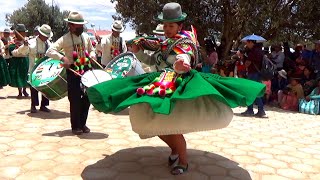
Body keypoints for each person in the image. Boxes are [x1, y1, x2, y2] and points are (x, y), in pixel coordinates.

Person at [86, 3, 265, 175]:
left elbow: (185, 55)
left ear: (179, 26)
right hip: (159, 82)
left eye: (171, 25)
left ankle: (184, 160)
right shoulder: (163, 43)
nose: (167, 29)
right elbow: (151, 61)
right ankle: (175, 149)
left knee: (170, 124)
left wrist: (183, 63)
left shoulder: (184, 42)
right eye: (165, 25)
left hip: (177, 86)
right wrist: (138, 51)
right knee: (149, 120)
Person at [46, 11, 96, 135]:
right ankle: (75, 126)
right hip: (73, 71)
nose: (81, 28)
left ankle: (83, 123)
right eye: (78, 26)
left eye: (81, 26)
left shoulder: (86, 37)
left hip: (86, 68)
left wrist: (93, 55)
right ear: (71, 25)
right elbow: (49, 51)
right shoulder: (64, 39)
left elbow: (92, 49)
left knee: (86, 97)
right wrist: (63, 58)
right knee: (74, 99)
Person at [29, 24, 53, 113]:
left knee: (45, 88)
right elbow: (21, 51)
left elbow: (52, 52)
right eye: (45, 36)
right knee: (34, 88)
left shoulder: (49, 44)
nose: (46, 38)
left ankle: (43, 105)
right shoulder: (31, 43)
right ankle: (33, 105)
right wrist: (24, 46)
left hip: (45, 70)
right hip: (33, 69)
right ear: (40, 34)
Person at [241, 41, 266, 117]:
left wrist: (243, 57)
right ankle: (261, 110)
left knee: (250, 91)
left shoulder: (253, 52)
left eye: (248, 43)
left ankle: (250, 110)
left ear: (252, 43)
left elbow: (247, 64)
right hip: (258, 74)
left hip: (253, 74)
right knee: (257, 91)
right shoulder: (260, 51)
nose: (246, 44)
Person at [8, 24, 29, 98]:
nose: (24, 33)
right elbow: (13, 53)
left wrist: (25, 46)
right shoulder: (12, 43)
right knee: (18, 76)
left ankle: (24, 90)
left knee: (25, 75)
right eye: (23, 32)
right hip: (16, 61)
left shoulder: (27, 40)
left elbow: (27, 52)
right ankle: (20, 91)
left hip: (25, 60)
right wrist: (23, 47)